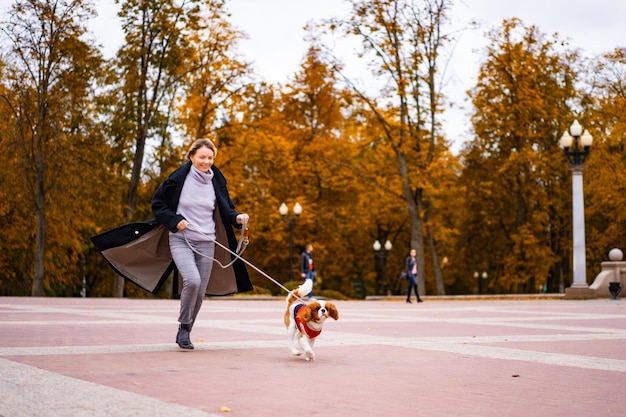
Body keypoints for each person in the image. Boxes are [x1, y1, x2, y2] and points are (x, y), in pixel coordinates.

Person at [151, 137, 251, 349]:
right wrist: (175, 220)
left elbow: (228, 209)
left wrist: (238, 218)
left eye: (210, 157)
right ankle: (184, 325)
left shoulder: (217, 181)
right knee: (193, 281)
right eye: (201, 157)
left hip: (207, 242)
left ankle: (185, 331)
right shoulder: (178, 179)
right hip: (181, 239)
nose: (206, 162)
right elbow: (158, 204)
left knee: (201, 291)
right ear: (191, 156)